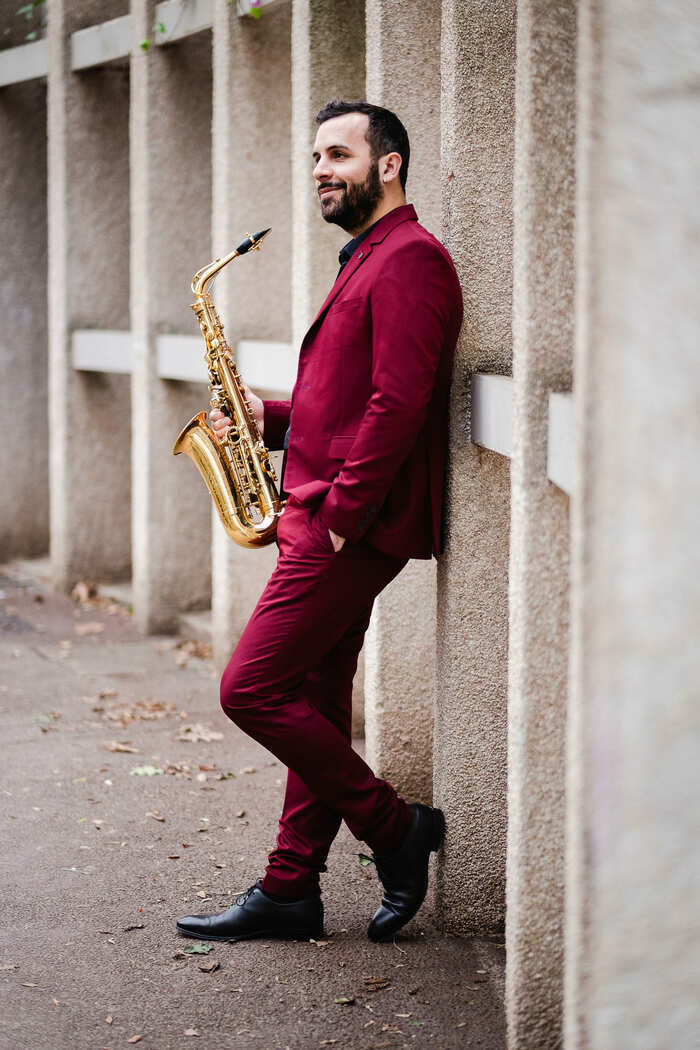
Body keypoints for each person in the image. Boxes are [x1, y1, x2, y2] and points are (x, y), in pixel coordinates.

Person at [176, 100, 463, 945]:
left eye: (338, 154)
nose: (320, 171)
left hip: (347, 522)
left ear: (390, 164)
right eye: (314, 157)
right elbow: (344, 400)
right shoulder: (368, 256)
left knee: (250, 689)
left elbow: (400, 401)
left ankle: (396, 829)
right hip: (330, 512)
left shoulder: (413, 259)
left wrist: (340, 514)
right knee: (313, 695)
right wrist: (260, 419)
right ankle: (290, 886)